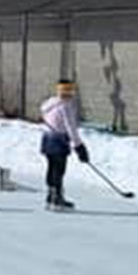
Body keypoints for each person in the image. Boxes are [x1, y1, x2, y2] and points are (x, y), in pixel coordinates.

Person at [39, 79, 87, 211]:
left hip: (47, 139)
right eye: (69, 90)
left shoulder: (50, 103)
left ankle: (50, 196)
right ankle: (57, 199)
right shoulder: (66, 106)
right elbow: (71, 127)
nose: (70, 94)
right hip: (58, 140)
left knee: (51, 167)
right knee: (59, 170)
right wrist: (79, 146)